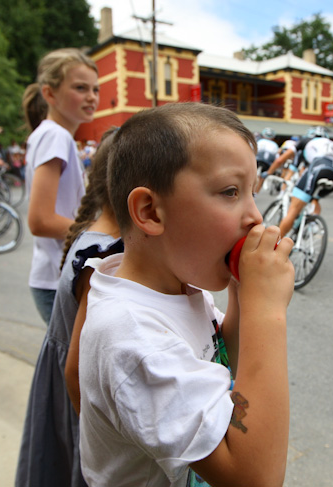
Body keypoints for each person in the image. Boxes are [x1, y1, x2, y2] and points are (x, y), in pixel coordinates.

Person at [78, 103, 294, 486]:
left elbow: (221, 354)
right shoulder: (134, 336)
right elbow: (255, 477)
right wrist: (267, 311)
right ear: (151, 212)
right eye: (231, 191)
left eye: (251, 193)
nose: (256, 217)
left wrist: (244, 295)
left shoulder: (174, 286)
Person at [16, 129, 123, 487]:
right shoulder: (107, 257)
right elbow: (77, 371)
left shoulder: (95, 235)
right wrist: (101, 440)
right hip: (79, 406)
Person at [22, 48, 99, 324]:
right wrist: (102, 235)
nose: (91, 96)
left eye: (95, 89)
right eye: (80, 88)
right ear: (50, 94)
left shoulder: (51, 135)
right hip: (57, 281)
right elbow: (41, 220)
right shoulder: (55, 136)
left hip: (56, 276)